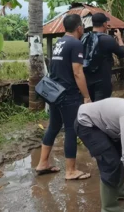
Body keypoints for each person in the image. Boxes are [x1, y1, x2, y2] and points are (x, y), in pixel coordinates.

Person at [35, 14, 91, 180]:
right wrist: (86, 96)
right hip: (68, 94)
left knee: (53, 126)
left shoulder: (60, 42)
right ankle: (71, 171)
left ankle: (43, 163)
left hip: (54, 92)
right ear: (79, 28)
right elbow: (77, 71)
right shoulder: (76, 43)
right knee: (71, 130)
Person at [83, 13, 124, 101]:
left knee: (90, 109)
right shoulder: (107, 39)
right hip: (102, 82)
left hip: (87, 81)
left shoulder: (85, 38)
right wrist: (119, 38)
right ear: (104, 24)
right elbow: (122, 53)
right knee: (101, 109)